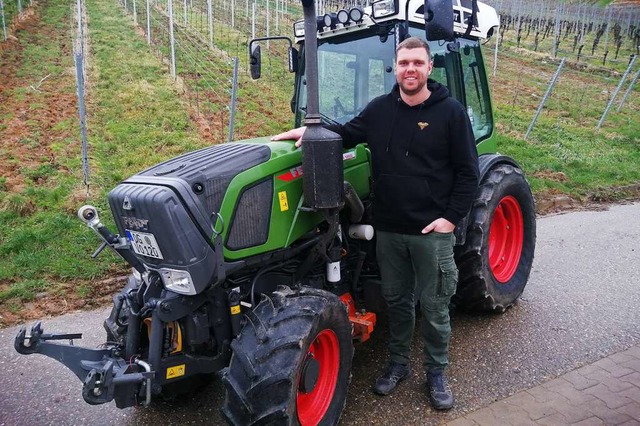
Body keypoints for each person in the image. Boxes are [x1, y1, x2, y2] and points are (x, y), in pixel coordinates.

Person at [272, 36, 479, 410]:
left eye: (417, 62)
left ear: (429, 68)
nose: (410, 69)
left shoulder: (451, 114)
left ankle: (436, 373)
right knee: (398, 302)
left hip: (431, 232)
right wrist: (311, 131)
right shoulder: (381, 109)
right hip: (389, 229)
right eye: (403, 63)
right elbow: (347, 133)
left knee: (434, 305)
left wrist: (450, 219)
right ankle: (398, 364)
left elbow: (468, 173)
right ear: (395, 68)